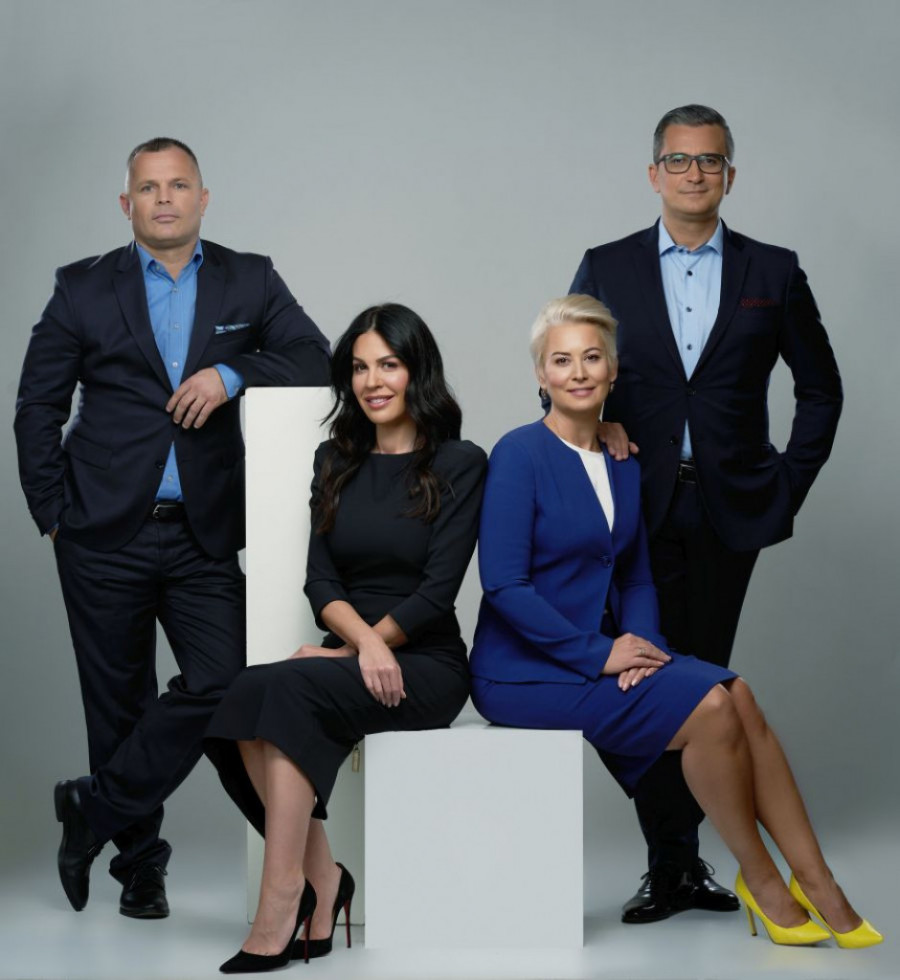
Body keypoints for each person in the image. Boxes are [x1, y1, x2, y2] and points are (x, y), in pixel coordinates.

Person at [470, 295, 880, 949]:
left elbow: (636, 575)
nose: (578, 372)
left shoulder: (622, 462)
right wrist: (600, 655)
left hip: (606, 653)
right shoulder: (519, 454)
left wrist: (646, 650)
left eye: (592, 358)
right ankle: (763, 881)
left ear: (612, 370)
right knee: (712, 709)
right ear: (541, 374)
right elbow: (504, 585)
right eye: (561, 360)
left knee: (738, 694)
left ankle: (817, 879)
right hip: (523, 671)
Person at [14, 137, 331, 919]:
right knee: (115, 705)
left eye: (179, 184)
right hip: (100, 532)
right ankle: (139, 871)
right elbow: (37, 406)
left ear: (203, 198)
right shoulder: (82, 287)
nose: (164, 199)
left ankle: (92, 807)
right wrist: (53, 515)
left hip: (203, 532)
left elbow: (314, 355)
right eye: (149, 188)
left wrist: (232, 373)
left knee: (227, 683)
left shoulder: (249, 278)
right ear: (127, 204)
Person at [568, 104, 844, 923]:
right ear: (654, 173)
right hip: (633, 506)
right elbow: (560, 367)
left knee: (703, 683)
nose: (695, 174)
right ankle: (675, 864)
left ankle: (681, 865)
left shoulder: (773, 270)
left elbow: (821, 389)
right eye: (680, 161)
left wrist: (785, 483)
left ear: (730, 174)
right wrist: (594, 423)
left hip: (731, 510)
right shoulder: (607, 266)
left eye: (711, 161)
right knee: (643, 678)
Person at [204, 303, 487, 972]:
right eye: (359, 368)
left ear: (417, 371)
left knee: (284, 692)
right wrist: (363, 645)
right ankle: (323, 880)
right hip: (360, 652)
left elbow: (437, 591)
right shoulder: (335, 459)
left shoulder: (461, 462)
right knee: (245, 694)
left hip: (428, 665)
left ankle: (283, 898)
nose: (372, 381)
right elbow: (320, 581)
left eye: (388, 364)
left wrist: (365, 646)